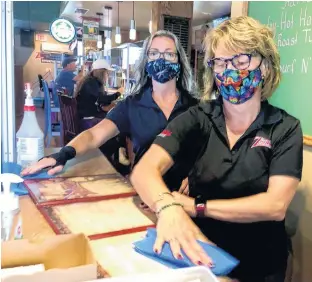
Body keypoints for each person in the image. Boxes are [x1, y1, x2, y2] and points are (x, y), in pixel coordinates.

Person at [129, 17, 304, 282]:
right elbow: (144, 170)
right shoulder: (198, 117)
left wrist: (195, 206)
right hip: (202, 255)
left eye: (241, 60)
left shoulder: (285, 128)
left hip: (260, 266)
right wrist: (168, 207)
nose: (229, 70)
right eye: (220, 62)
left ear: (265, 67)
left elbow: (274, 205)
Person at [22, 31, 198, 195]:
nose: (161, 59)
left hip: (190, 199)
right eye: (154, 53)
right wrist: (63, 154)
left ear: (179, 62)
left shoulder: (196, 108)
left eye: (169, 54)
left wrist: (198, 175)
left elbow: (211, 151)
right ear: (146, 61)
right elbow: (93, 135)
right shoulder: (132, 105)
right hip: (148, 195)